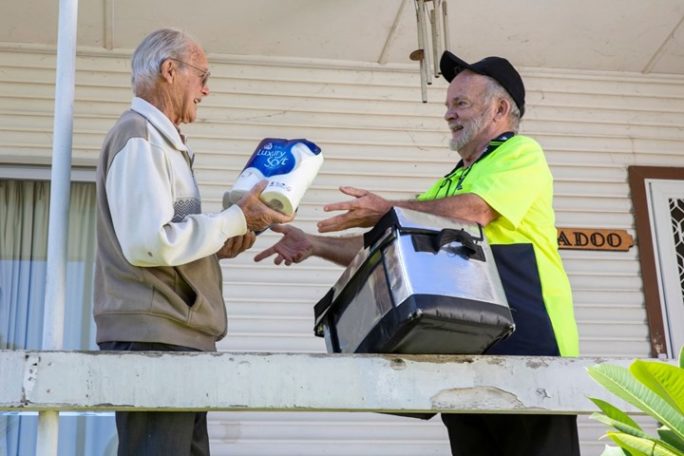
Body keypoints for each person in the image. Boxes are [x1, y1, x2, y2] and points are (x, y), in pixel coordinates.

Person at [255, 51, 580, 455]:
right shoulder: (448, 184)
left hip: (529, 353)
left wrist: (387, 208)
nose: (449, 114)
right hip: (464, 355)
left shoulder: (520, 153)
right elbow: (393, 244)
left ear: (499, 109)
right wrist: (315, 244)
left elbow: (478, 210)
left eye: (460, 103)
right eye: (448, 105)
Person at [94, 28, 292, 456]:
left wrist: (226, 236)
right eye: (202, 75)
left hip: (175, 337)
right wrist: (234, 218)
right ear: (170, 70)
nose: (206, 88)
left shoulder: (160, 142)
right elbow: (149, 244)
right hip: (155, 339)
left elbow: (168, 238)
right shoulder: (140, 137)